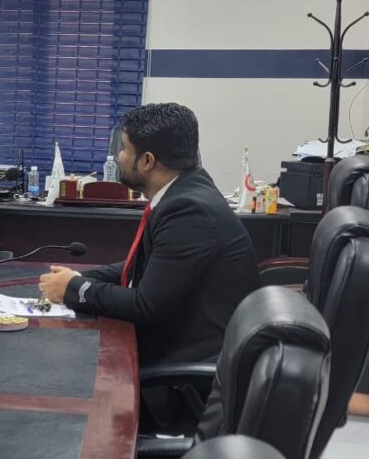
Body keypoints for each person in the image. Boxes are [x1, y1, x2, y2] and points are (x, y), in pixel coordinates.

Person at [38, 103, 260, 366]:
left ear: (147, 161)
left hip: (184, 362)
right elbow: (145, 266)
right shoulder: (187, 189)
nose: (118, 157)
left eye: (124, 149)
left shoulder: (189, 211)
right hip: (182, 340)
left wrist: (74, 289)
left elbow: (145, 305)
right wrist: (78, 278)